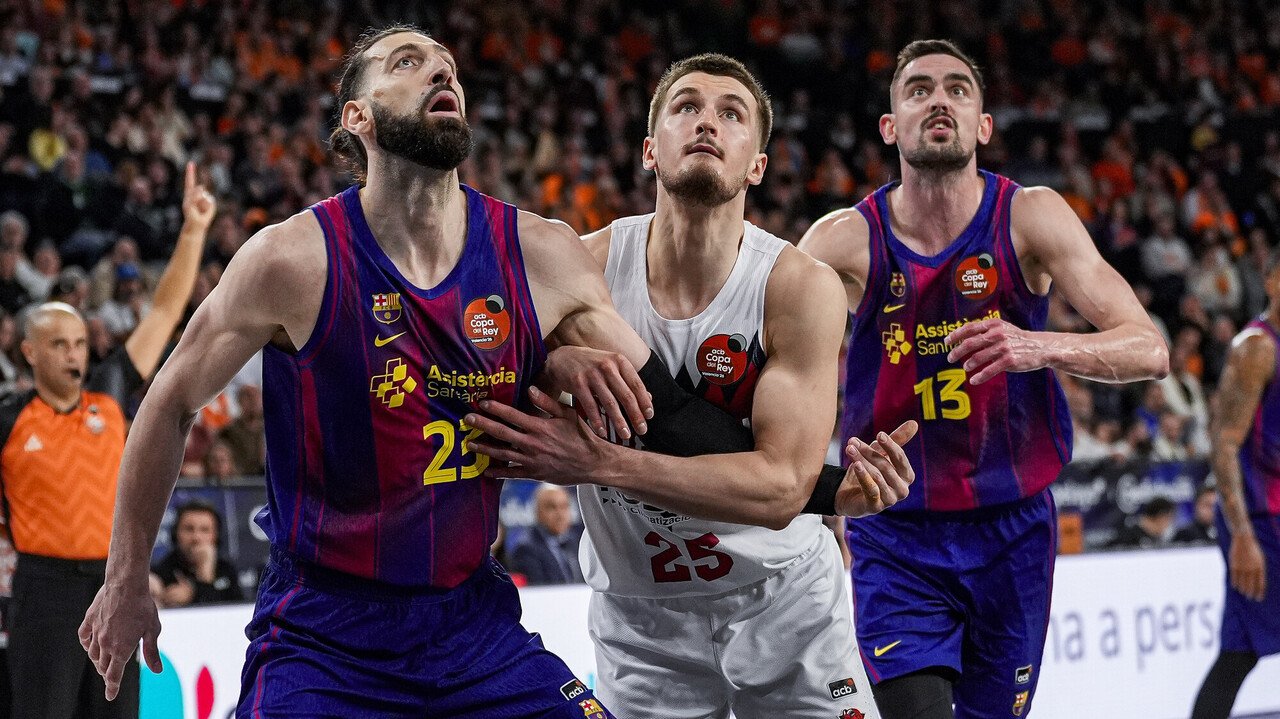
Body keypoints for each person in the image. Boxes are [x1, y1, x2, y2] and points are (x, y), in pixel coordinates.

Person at [79, 25, 791, 718]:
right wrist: (125, 574)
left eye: (447, 65)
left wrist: (813, 485)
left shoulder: (541, 252)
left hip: (473, 623)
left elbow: (667, 412)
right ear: (357, 116)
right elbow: (168, 402)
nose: (441, 72)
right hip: (325, 633)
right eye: (409, 62)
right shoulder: (292, 259)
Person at [466, 54, 915, 719]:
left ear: (756, 165)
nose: (707, 120)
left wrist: (600, 463)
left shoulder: (796, 285)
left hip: (785, 602)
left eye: (732, 112)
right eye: (686, 106)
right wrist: (546, 364)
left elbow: (779, 488)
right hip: (642, 620)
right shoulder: (580, 265)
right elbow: (472, 375)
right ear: (651, 149)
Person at [797, 40, 1169, 719]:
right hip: (895, 528)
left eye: (957, 89)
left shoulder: (1030, 215)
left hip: (1014, 529)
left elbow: (1149, 348)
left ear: (984, 124)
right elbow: (780, 369)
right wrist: (814, 491)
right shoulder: (842, 240)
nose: (938, 99)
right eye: (917, 90)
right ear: (890, 127)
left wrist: (1038, 343)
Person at [0, 161, 212, 719]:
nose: (75, 353)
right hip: (41, 592)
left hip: (114, 585)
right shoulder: (10, 418)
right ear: (29, 353)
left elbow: (166, 310)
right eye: (59, 344)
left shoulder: (111, 391)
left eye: (78, 342)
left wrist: (192, 230)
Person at [1190, 253, 1280, 719]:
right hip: (1261, 521)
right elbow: (1223, 445)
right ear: (1271, 281)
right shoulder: (1256, 348)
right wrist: (1242, 534)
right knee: (1239, 654)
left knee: (1238, 653)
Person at [150, 501, 243, 607]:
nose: (196, 538)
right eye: (189, 529)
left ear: (215, 536)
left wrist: (202, 581)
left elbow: (238, 613)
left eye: (204, 530)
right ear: (175, 534)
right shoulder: (161, 572)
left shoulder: (226, 570)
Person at [510, 484, 582, 585]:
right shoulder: (526, 548)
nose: (560, 514)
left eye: (564, 506)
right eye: (552, 507)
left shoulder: (578, 542)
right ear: (537, 512)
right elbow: (540, 591)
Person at [1106, 497, 1176, 549]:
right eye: (1170, 518)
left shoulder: (1158, 538)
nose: (1169, 523)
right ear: (1161, 516)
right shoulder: (1129, 536)